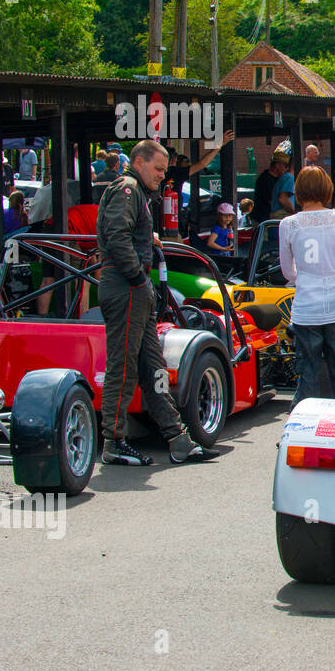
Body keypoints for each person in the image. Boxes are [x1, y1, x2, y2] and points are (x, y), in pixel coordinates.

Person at [96, 139, 207, 465]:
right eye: (158, 169)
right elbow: (117, 238)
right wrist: (138, 278)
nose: (162, 175)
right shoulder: (128, 191)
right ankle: (113, 440)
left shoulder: (132, 192)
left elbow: (122, 235)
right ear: (140, 162)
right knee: (124, 366)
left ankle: (176, 438)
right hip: (126, 286)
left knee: (153, 367)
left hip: (131, 285)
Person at [278, 166, 335, 409]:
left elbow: (287, 272)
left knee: (308, 372)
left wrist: (305, 275)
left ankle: (302, 426)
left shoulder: (288, 223)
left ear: (298, 191)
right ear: (326, 188)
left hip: (305, 307)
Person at [251, 152, 289, 224]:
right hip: (263, 220)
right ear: (277, 165)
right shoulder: (265, 179)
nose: (287, 169)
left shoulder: (277, 179)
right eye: (286, 166)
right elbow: (272, 201)